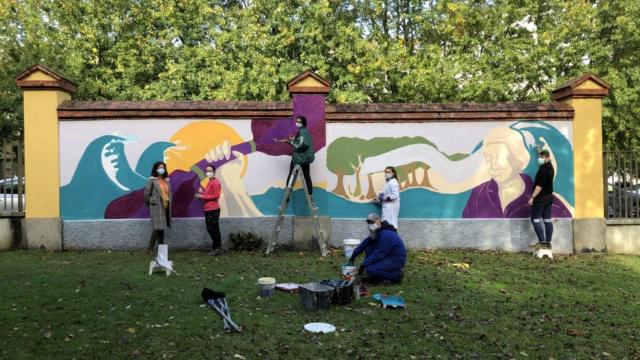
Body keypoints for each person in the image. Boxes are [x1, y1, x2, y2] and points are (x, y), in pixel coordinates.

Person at [463, 127, 571, 218]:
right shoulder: (479, 194)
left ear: (517, 159)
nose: (493, 165)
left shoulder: (543, 198)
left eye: (500, 157)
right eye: (488, 159)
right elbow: (465, 230)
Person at [348, 213, 407, 284]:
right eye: (368, 222)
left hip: (396, 259)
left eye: (372, 222)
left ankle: (397, 276)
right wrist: (354, 255)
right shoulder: (378, 232)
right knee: (369, 264)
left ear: (378, 221)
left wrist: (364, 264)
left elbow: (379, 253)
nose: (370, 224)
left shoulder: (386, 234)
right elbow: (365, 243)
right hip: (388, 256)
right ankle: (377, 277)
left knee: (371, 269)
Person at [276, 116, 315, 196]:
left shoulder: (302, 132)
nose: (297, 123)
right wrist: (292, 139)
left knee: (291, 175)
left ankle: (287, 196)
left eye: (299, 121)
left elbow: (302, 144)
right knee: (307, 176)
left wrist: (291, 142)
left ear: (303, 123)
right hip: (306, 158)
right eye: (297, 121)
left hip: (299, 158)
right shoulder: (305, 131)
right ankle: (310, 195)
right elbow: (303, 141)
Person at [528, 150, 555, 249]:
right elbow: (546, 156)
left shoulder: (543, 170)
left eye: (541, 157)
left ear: (547, 158)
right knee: (547, 219)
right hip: (548, 198)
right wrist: (540, 150)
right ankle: (548, 243)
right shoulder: (550, 167)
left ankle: (542, 242)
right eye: (539, 157)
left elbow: (539, 186)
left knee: (535, 218)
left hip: (540, 199)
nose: (539, 159)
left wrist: (532, 197)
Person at [144, 161, 172, 255]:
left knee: (162, 227)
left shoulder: (166, 180)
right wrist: (152, 204)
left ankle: (161, 247)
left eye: (163, 167)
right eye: (160, 167)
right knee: (157, 228)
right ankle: (150, 248)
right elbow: (146, 194)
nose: (162, 169)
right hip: (156, 206)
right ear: (156, 169)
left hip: (165, 206)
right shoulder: (152, 180)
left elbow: (168, 193)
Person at [195, 165, 223, 256]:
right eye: (207, 171)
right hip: (208, 209)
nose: (208, 172)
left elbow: (216, 196)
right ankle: (215, 247)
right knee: (210, 229)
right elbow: (208, 194)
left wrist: (202, 196)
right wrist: (201, 193)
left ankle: (217, 248)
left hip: (213, 209)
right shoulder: (209, 182)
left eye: (210, 171)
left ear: (214, 172)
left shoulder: (215, 182)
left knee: (214, 229)